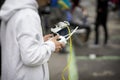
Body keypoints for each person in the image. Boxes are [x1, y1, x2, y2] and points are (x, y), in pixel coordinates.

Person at [0, 0, 65, 80]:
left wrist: (39, 41)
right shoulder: (28, 15)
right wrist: (51, 45)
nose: (49, 1)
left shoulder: (12, 12)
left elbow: (16, 44)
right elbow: (31, 57)